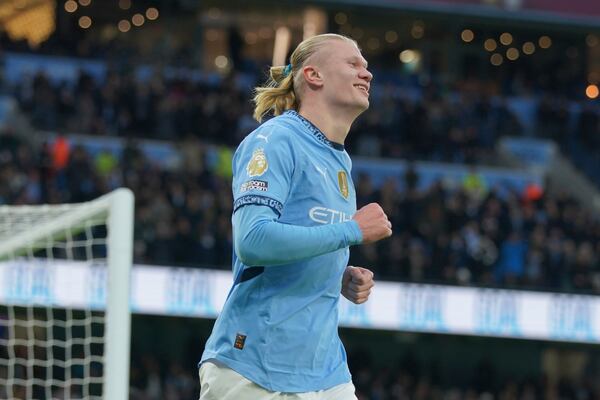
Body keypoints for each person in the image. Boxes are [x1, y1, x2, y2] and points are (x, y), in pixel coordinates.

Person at [199, 33, 392, 399]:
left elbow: (306, 236)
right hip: (255, 368)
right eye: (353, 63)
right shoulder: (274, 140)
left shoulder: (339, 159)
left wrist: (337, 274)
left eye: (366, 66)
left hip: (325, 371)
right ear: (313, 75)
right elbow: (253, 241)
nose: (367, 74)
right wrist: (351, 231)